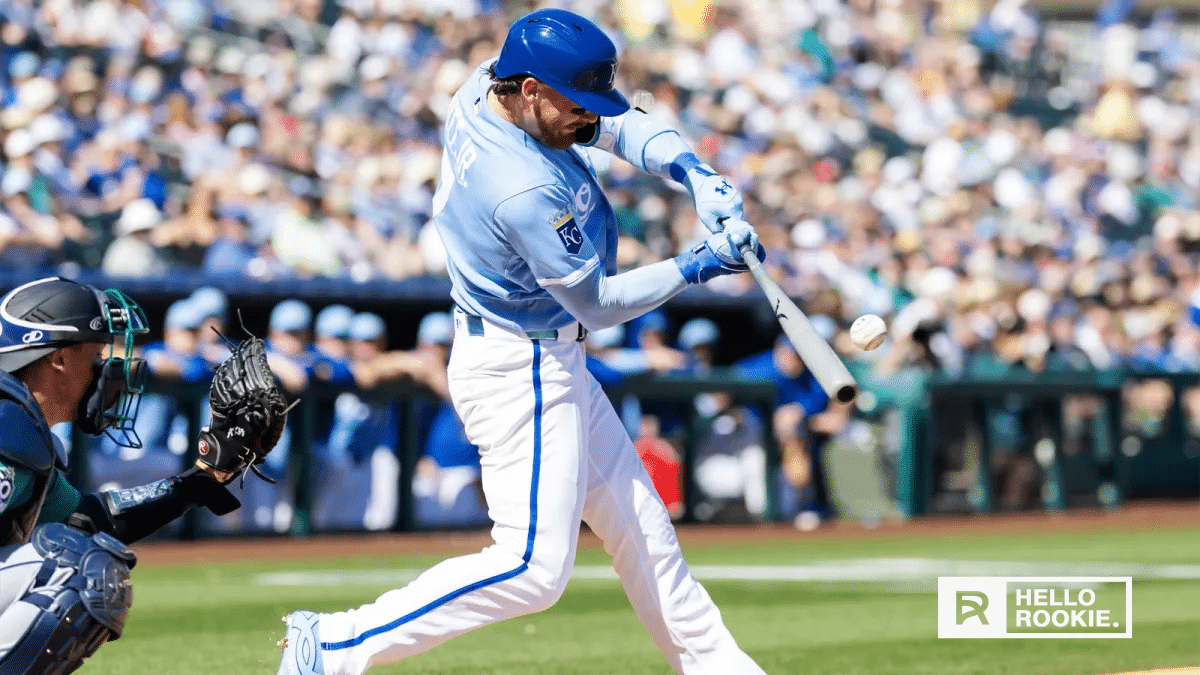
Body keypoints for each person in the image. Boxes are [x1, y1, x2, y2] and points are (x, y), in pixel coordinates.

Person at [278, 9, 767, 675]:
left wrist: (690, 169)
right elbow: (596, 302)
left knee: (644, 534)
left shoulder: (489, 81)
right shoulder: (521, 187)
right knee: (533, 567)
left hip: (538, 352)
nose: (586, 120)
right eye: (574, 104)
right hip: (522, 364)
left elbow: (612, 122)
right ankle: (335, 643)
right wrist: (699, 265)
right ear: (531, 90)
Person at [0, 276, 250, 672]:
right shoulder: (6, 420)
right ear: (60, 359)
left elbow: (86, 518)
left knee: (78, 550)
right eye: (97, 353)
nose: (106, 367)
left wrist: (198, 481)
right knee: (76, 568)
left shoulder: (21, 428)